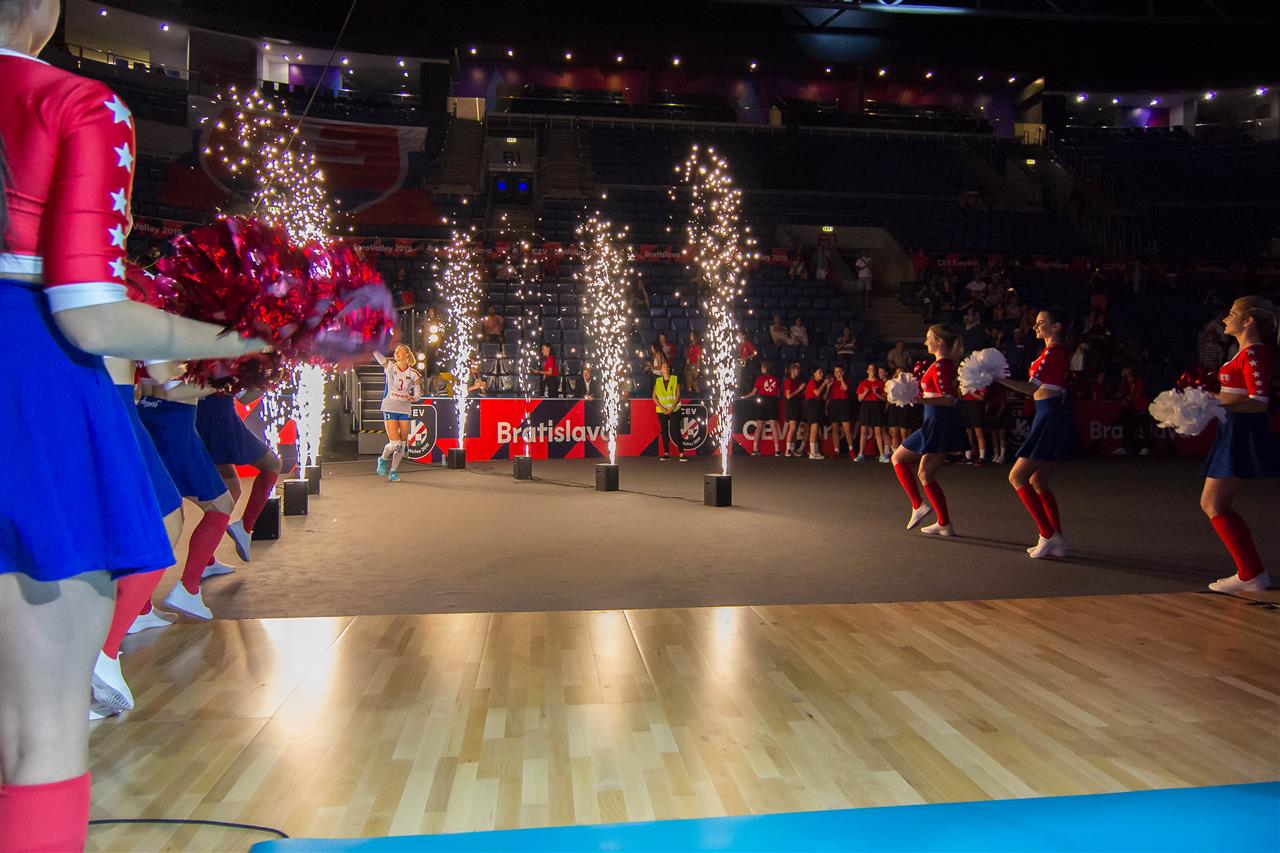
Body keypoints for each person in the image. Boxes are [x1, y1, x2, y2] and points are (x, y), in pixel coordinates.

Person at [1, 7, 277, 840]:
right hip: (32, 392)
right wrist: (245, 336)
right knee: (38, 726)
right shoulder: (73, 104)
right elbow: (91, 317)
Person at [1201, 297, 1278, 593]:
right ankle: (1250, 573)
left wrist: (1215, 402)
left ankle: (1251, 573)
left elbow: (1259, 402)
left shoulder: (1255, 353)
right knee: (1214, 503)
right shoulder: (1244, 352)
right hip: (1231, 429)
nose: (1225, 319)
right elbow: (1238, 394)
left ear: (1248, 321)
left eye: (1232, 314)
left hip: (1241, 432)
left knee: (1214, 503)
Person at [997, 308, 1074, 559]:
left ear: (1057, 326)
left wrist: (998, 379)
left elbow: (1031, 388)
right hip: (1048, 413)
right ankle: (1057, 539)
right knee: (1038, 481)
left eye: (1041, 323)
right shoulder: (1050, 352)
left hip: (1049, 415)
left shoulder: (1054, 352)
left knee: (1017, 476)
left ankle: (1047, 535)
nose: (1035, 327)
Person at [890, 326, 966, 536]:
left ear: (939, 341)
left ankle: (918, 505)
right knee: (925, 474)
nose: (925, 342)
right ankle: (944, 523)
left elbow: (949, 399)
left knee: (898, 458)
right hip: (935, 422)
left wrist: (918, 400)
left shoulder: (942, 366)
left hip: (937, 423)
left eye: (928, 338)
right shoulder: (942, 364)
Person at [195, 388, 282, 566]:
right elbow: (245, 397)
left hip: (202, 418)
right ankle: (244, 527)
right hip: (221, 420)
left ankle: (205, 560)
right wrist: (269, 380)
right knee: (272, 464)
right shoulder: (220, 369)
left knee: (230, 490)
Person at [373, 346, 423, 483]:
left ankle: (393, 471)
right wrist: (373, 347)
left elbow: (417, 395)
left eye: (399, 351)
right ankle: (383, 459)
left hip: (404, 409)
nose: (396, 353)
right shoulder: (391, 367)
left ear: (407, 354)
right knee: (395, 444)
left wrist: (413, 397)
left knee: (402, 445)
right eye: (395, 352)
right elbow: (380, 359)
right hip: (390, 407)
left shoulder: (414, 374)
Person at [743, 361, 783, 456]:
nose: (761, 368)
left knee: (759, 426)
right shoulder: (776, 379)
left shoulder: (759, 378)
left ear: (765, 368)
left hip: (762, 401)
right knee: (773, 426)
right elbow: (778, 394)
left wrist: (744, 397)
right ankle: (777, 450)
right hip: (772, 402)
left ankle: (754, 449)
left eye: (762, 367)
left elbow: (753, 392)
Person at [1111, 366, 1149, 457]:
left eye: (1124, 370)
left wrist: (1128, 398)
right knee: (1127, 428)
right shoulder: (1124, 383)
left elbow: (1138, 394)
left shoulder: (1138, 381)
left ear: (1129, 371)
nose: (1122, 372)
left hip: (1141, 407)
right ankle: (1124, 447)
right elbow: (1120, 393)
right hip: (1131, 410)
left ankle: (1146, 447)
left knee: (1143, 428)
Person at [855, 364, 889, 463]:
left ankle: (882, 455)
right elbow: (859, 399)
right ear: (867, 371)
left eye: (873, 369)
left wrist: (876, 393)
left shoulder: (880, 383)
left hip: (877, 407)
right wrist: (866, 392)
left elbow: (884, 399)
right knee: (864, 431)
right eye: (870, 369)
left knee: (878, 432)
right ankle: (861, 454)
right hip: (866, 407)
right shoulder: (863, 383)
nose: (872, 370)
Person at [652, 361, 684, 462]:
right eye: (663, 367)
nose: (665, 368)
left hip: (674, 409)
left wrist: (671, 408)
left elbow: (678, 394)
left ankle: (681, 453)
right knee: (664, 431)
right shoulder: (657, 381)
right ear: (661, 370)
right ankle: (666, 453)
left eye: (667, 367)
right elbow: (654, 397)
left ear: (669, 369)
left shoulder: (675, 379)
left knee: (676, 430)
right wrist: (662, 408)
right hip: (662, 411)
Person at [802, 367, 831, 459]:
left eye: (822, 372)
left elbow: (823, 397)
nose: (822, 374)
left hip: (818, 405)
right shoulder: (812, 382)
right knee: (813, 429)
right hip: (812, 405)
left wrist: (828, 387)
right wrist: (824, 383)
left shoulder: (819, 383)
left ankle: (815, 451)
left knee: (817, 429)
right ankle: (812, 452)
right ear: (814, 374)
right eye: (819, 372)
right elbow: (817, 393)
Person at [827, 365, 854, 457]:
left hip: (843, 404)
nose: (837, 373)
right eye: (835, 371)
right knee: (835, 429)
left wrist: (841, 378)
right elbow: (828, 396)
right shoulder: (832, 382)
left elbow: (845, 388)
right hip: (834, 405)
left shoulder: (846, 380)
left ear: (842, 372)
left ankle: (851, 449)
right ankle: (836, 450)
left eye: (839, 371)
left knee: (847, 429)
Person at [782, 362, 806, 457]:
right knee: (792, 428)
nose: (799, 371)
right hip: (791, 405)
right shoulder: (788, 380)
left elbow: (800, 393)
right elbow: (788, 396)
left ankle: (792, 449)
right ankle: (787, 449)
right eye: (797, 369)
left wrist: (803, 390)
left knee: (795, 429)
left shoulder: (798, 381)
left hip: (798, 405)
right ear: (792, 370)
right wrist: (800, 389)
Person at [985, 381, 1012, 464]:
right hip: (993, 413)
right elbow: (987, 404)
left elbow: (1003, 405)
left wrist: (997, 415)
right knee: (994, 435)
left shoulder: (1001, 391)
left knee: (1001, 435)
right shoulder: (989, 391)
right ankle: (996, 454)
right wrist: (986, 414)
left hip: (1002, 415)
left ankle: (1002, 455)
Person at [960, 385, 988, 465]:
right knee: (968, 434)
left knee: (979, 433)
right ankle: (968, 456)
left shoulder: (981, 382)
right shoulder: (964, 382)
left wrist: (971, 392)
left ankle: (982, 457)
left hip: (976, 406)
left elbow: (982, 398)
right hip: (966, 405)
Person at [683, 330, 703, 395]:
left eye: (691, 335)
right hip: (689, 365)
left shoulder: (697, 346)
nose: (690, 336)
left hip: (694, 366)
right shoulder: (690, 345)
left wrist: (697, 370)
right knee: (689, 384)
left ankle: (699, 398)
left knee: (695, 384)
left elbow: (699, 359)